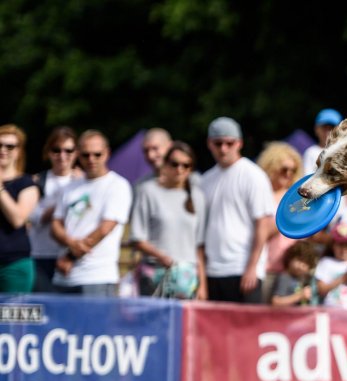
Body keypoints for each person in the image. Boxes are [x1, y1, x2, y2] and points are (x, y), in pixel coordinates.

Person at [201, 117, 275, 303]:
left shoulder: (253, 176)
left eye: (229, 143)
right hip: (214, 270)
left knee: (247, 331)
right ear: (210, 144)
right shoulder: (205, 180)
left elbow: (263, 224)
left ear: (239, 143)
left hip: (243, 269)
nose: (223, 148)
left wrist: (252, 267)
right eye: (218, 143)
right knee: (215, 331)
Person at [51, 130, 132, 296]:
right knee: (61, 323)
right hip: (63, 276)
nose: (91, 159)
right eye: (86, 155)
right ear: (78, 155)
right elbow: (56, 224)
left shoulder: (117, 185)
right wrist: (71, 243)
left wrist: (70, 256)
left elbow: (105, 228)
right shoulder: (70, 186)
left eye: (97, 154)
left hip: (97, 275)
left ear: (107, 153)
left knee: (95, 323)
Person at [129, 141, 208, 299]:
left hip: (187, 276)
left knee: (183, 323)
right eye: (175, 164)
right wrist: (161, 256)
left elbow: (198, 246)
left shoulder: (197, 196)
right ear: (165, 164)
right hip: (155, 273)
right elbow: (137, 238)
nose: (180, 170)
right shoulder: (147, 191)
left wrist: (203, 285)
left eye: (186, 165)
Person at [28, 126, 82, 292]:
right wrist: (63, 198)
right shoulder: (39, 180)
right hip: (41, 254)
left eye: (68, 150)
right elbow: (34, 218)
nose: (62, 156)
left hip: (72, 255)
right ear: (48, 152)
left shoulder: (84, 181)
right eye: (56, 150)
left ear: (76, 153)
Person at [257, 141, 303, 302]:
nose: (288, 174)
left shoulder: (297, 197)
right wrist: (285, 220)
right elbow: (260, 233)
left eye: (293, 170)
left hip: (292, 270)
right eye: (284, 169)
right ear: (271, 167)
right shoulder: (262, 195)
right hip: (266, 268)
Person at [0, 124, 40, 293]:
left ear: (18, 151)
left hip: (14, 265)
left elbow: (17, 219)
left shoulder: (26, 184)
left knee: (11, 319)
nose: (3, 150)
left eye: (10, 146)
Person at [271, 240, 319, 307]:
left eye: (306, 263)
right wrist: (299, 296)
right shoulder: (284, 277)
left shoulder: (304, 279)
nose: (301, 266)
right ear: (290, 258)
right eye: (299, 260)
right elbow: (275, 302)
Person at [302, 108, 342, 176]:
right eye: (324, 128)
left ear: (340, 130)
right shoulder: (310, 152)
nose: (327, 132)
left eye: (331, 128)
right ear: (316, 129)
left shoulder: (343, 152)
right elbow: (307, 177)